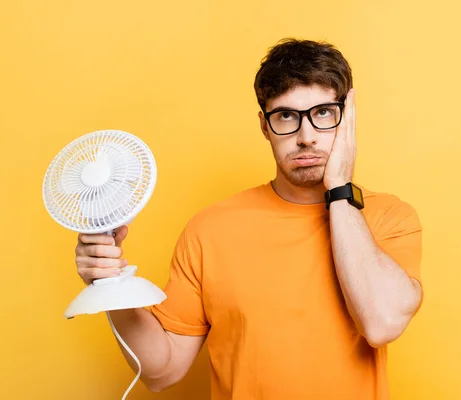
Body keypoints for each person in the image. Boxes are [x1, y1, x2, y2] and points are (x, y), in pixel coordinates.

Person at [74, 38, 423, 400]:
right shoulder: (210, 230)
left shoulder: (388, 219)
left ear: (347, 117)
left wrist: (338, 188)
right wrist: (110, 285)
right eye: (286, 116)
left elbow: (381, 323)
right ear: (264, 125)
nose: (306, 137)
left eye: (322, 113)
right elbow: (162, 372)